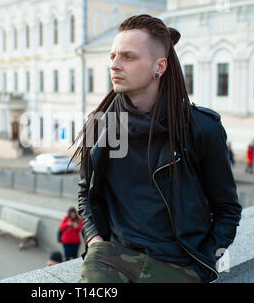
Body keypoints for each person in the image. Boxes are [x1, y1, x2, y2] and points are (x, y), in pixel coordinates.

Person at [70, 14, 242, 283]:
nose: (113, 65)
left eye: (128, 57)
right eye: (113, 55)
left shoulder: (200, 129)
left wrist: (202, 264)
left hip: (176, 266)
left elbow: (227, 210)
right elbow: (86, 192)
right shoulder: (102, 124)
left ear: (159, 67)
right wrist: (94, 241)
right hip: (112, 259)